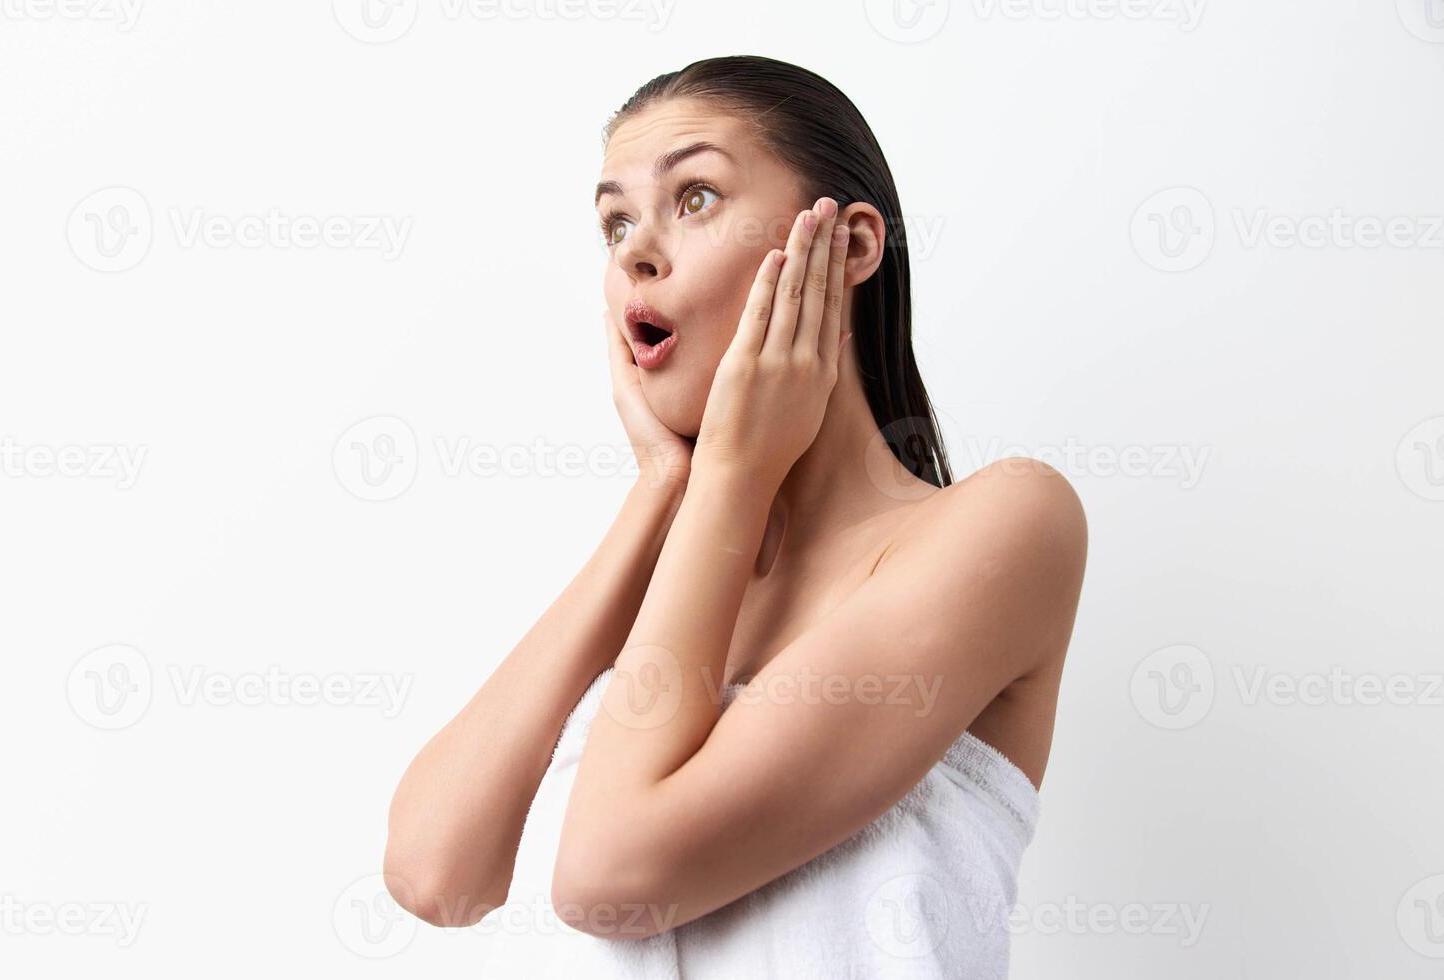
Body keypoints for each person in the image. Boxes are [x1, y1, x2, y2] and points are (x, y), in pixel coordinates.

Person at [383, 55, 1087, 978]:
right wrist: (661, 496)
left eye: (697, 197)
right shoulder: (675, 584)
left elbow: (608, 878)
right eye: (615, 222)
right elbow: (436, 875)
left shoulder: (1005, 526)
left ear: (850, 248)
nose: (636, 249)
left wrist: (732, 473)